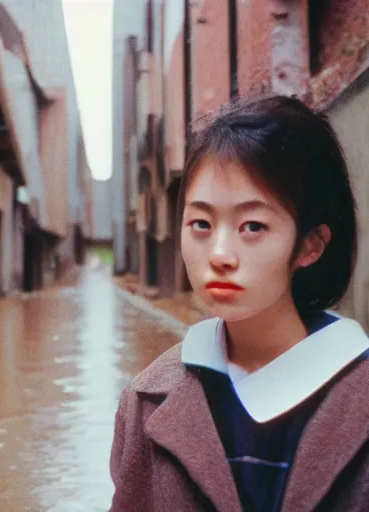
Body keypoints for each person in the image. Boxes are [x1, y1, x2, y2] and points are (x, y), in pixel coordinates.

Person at [109, 96, 369, 512]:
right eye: (201, 224)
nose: (219, 253)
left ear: (310, 245)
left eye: (252, 226)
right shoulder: (146, 401)